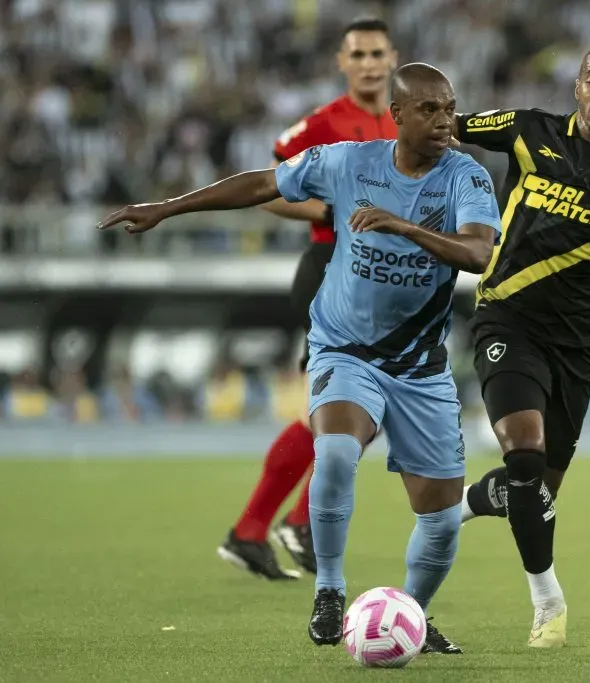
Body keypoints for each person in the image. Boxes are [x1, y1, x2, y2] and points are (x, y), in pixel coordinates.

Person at [98, 63, 502, 654]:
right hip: (345, 348)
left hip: (419, 367)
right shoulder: (348, 163)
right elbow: (264, 184)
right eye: (429, 110)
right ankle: (331, 590)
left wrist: (401, 226)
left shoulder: (467, 176)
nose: (445, 121)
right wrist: (166, 206)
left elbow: (477, 252)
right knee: (335, 452)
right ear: (397, 116)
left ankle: (410, 615)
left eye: (450, 108)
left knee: (439, 520)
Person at [453, 44, 590, 648]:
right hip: (507, 317)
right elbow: (447, 124)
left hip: (577, 343)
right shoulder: (529, 130)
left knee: (535, 493)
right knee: (523, 451)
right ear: (577, 88)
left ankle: (464, 505)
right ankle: (548, 599)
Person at [218, 18, 399, 581]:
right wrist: (325, 210)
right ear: (343, 63)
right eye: (358, 54)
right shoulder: (323, 123)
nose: (369, 63)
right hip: (330, 271)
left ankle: (261, 529)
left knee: (360, 408)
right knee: (345, 408)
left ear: (393, 59)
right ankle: (279, 525)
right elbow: (268, 186)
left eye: (377, 53)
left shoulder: (401, 120)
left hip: (380, 279)